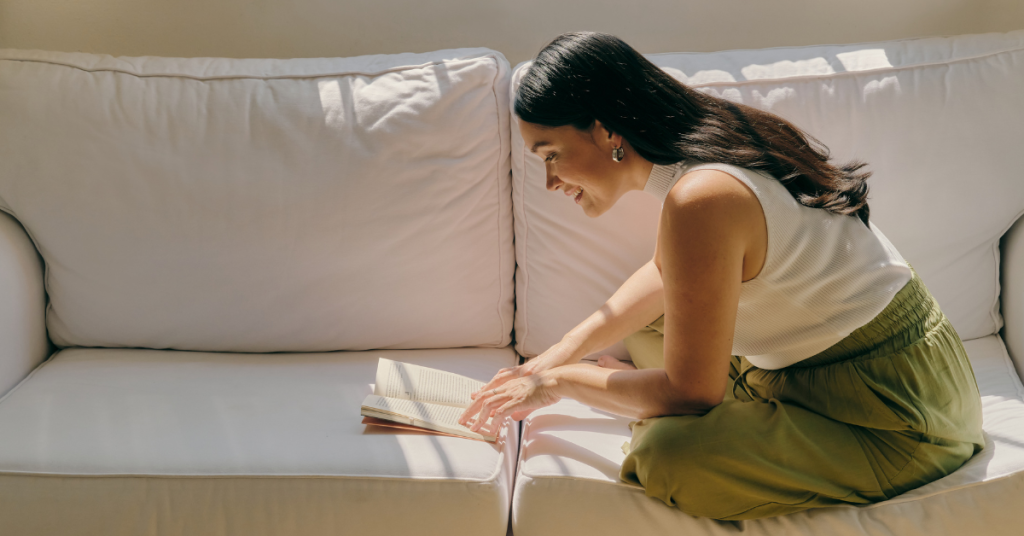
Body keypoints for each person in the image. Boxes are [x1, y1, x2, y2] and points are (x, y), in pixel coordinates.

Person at [456, 31, 984, 520]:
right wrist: (555, 354)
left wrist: (556, 383)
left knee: (667, 455)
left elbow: (692, 394)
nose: (550, 181)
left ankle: (735, 419)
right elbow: (667, 274)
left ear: (605, 129)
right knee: (643, 327)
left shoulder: (703, 195)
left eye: (551, 156)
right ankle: (736, 407)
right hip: (812, 365)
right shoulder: (705, 153)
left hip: (890, 410)